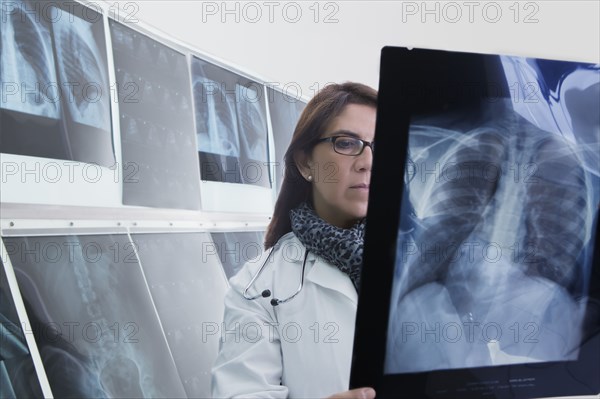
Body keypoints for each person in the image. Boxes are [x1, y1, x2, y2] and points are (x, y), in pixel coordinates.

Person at [211, 82, 378, 398]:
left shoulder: (423, 260)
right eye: (346, 143)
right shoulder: (257, 286)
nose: (367, 161)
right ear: (305, 163)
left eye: (379, 145)